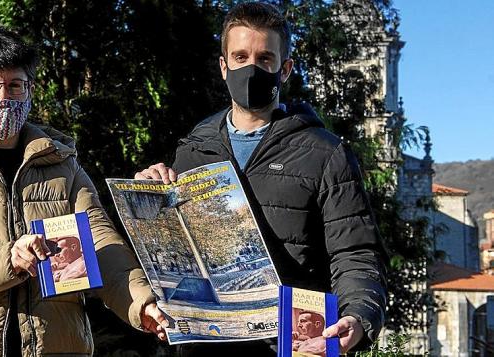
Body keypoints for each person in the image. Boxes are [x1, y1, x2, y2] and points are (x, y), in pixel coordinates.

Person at [0, 25, 167, 357]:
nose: (3, 98)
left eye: (15, 86)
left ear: (30, 90)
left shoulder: (65, 168)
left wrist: (142, 302)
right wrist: (7, 258)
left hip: (55, 346)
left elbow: (101, 246)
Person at [135, 2, 386, 355]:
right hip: (202, 346)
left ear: (285, 69)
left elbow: (355, 252)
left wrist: (358, 316)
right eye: (240, 57)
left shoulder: (326, 153)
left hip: (291, 345)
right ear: (224, 66)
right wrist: (147, 199)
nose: (251, 69)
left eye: (264, 59)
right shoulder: (192, 151)